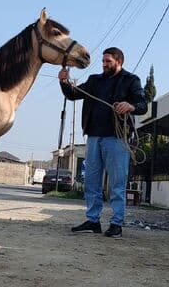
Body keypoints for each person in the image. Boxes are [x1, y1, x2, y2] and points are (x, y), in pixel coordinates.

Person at [58, 47, 147, 238]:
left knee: (116, 182)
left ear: (119, 61)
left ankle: (116, 224)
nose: (104, 64)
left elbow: (142, 104)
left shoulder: (131, 80)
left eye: (108, 61)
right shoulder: (94, 81)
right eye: (103, 61)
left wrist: (130, 105)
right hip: (93, 137)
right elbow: (73, 94)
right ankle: (93, 220)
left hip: (116, 139)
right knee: (91, 181)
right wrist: (64, 81)